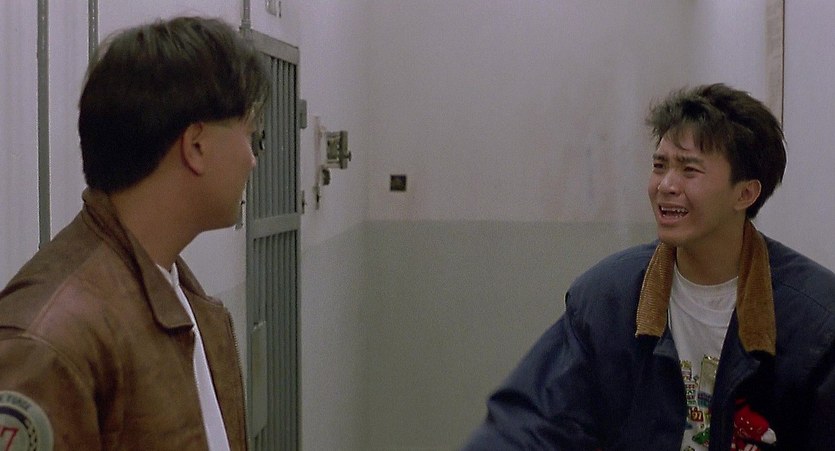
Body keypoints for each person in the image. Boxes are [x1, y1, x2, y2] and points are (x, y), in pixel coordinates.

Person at [462, 84, 835, 450]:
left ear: (745, 193)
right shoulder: (607, 299)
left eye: (689, 170)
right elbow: (531, 423)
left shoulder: (816, 321)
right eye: (660, 166)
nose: (666, 185)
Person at [0, 16, 269, 450]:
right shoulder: (50, 342)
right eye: (250, 134)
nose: (252, 159)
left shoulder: (178, 293)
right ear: (196, 146)